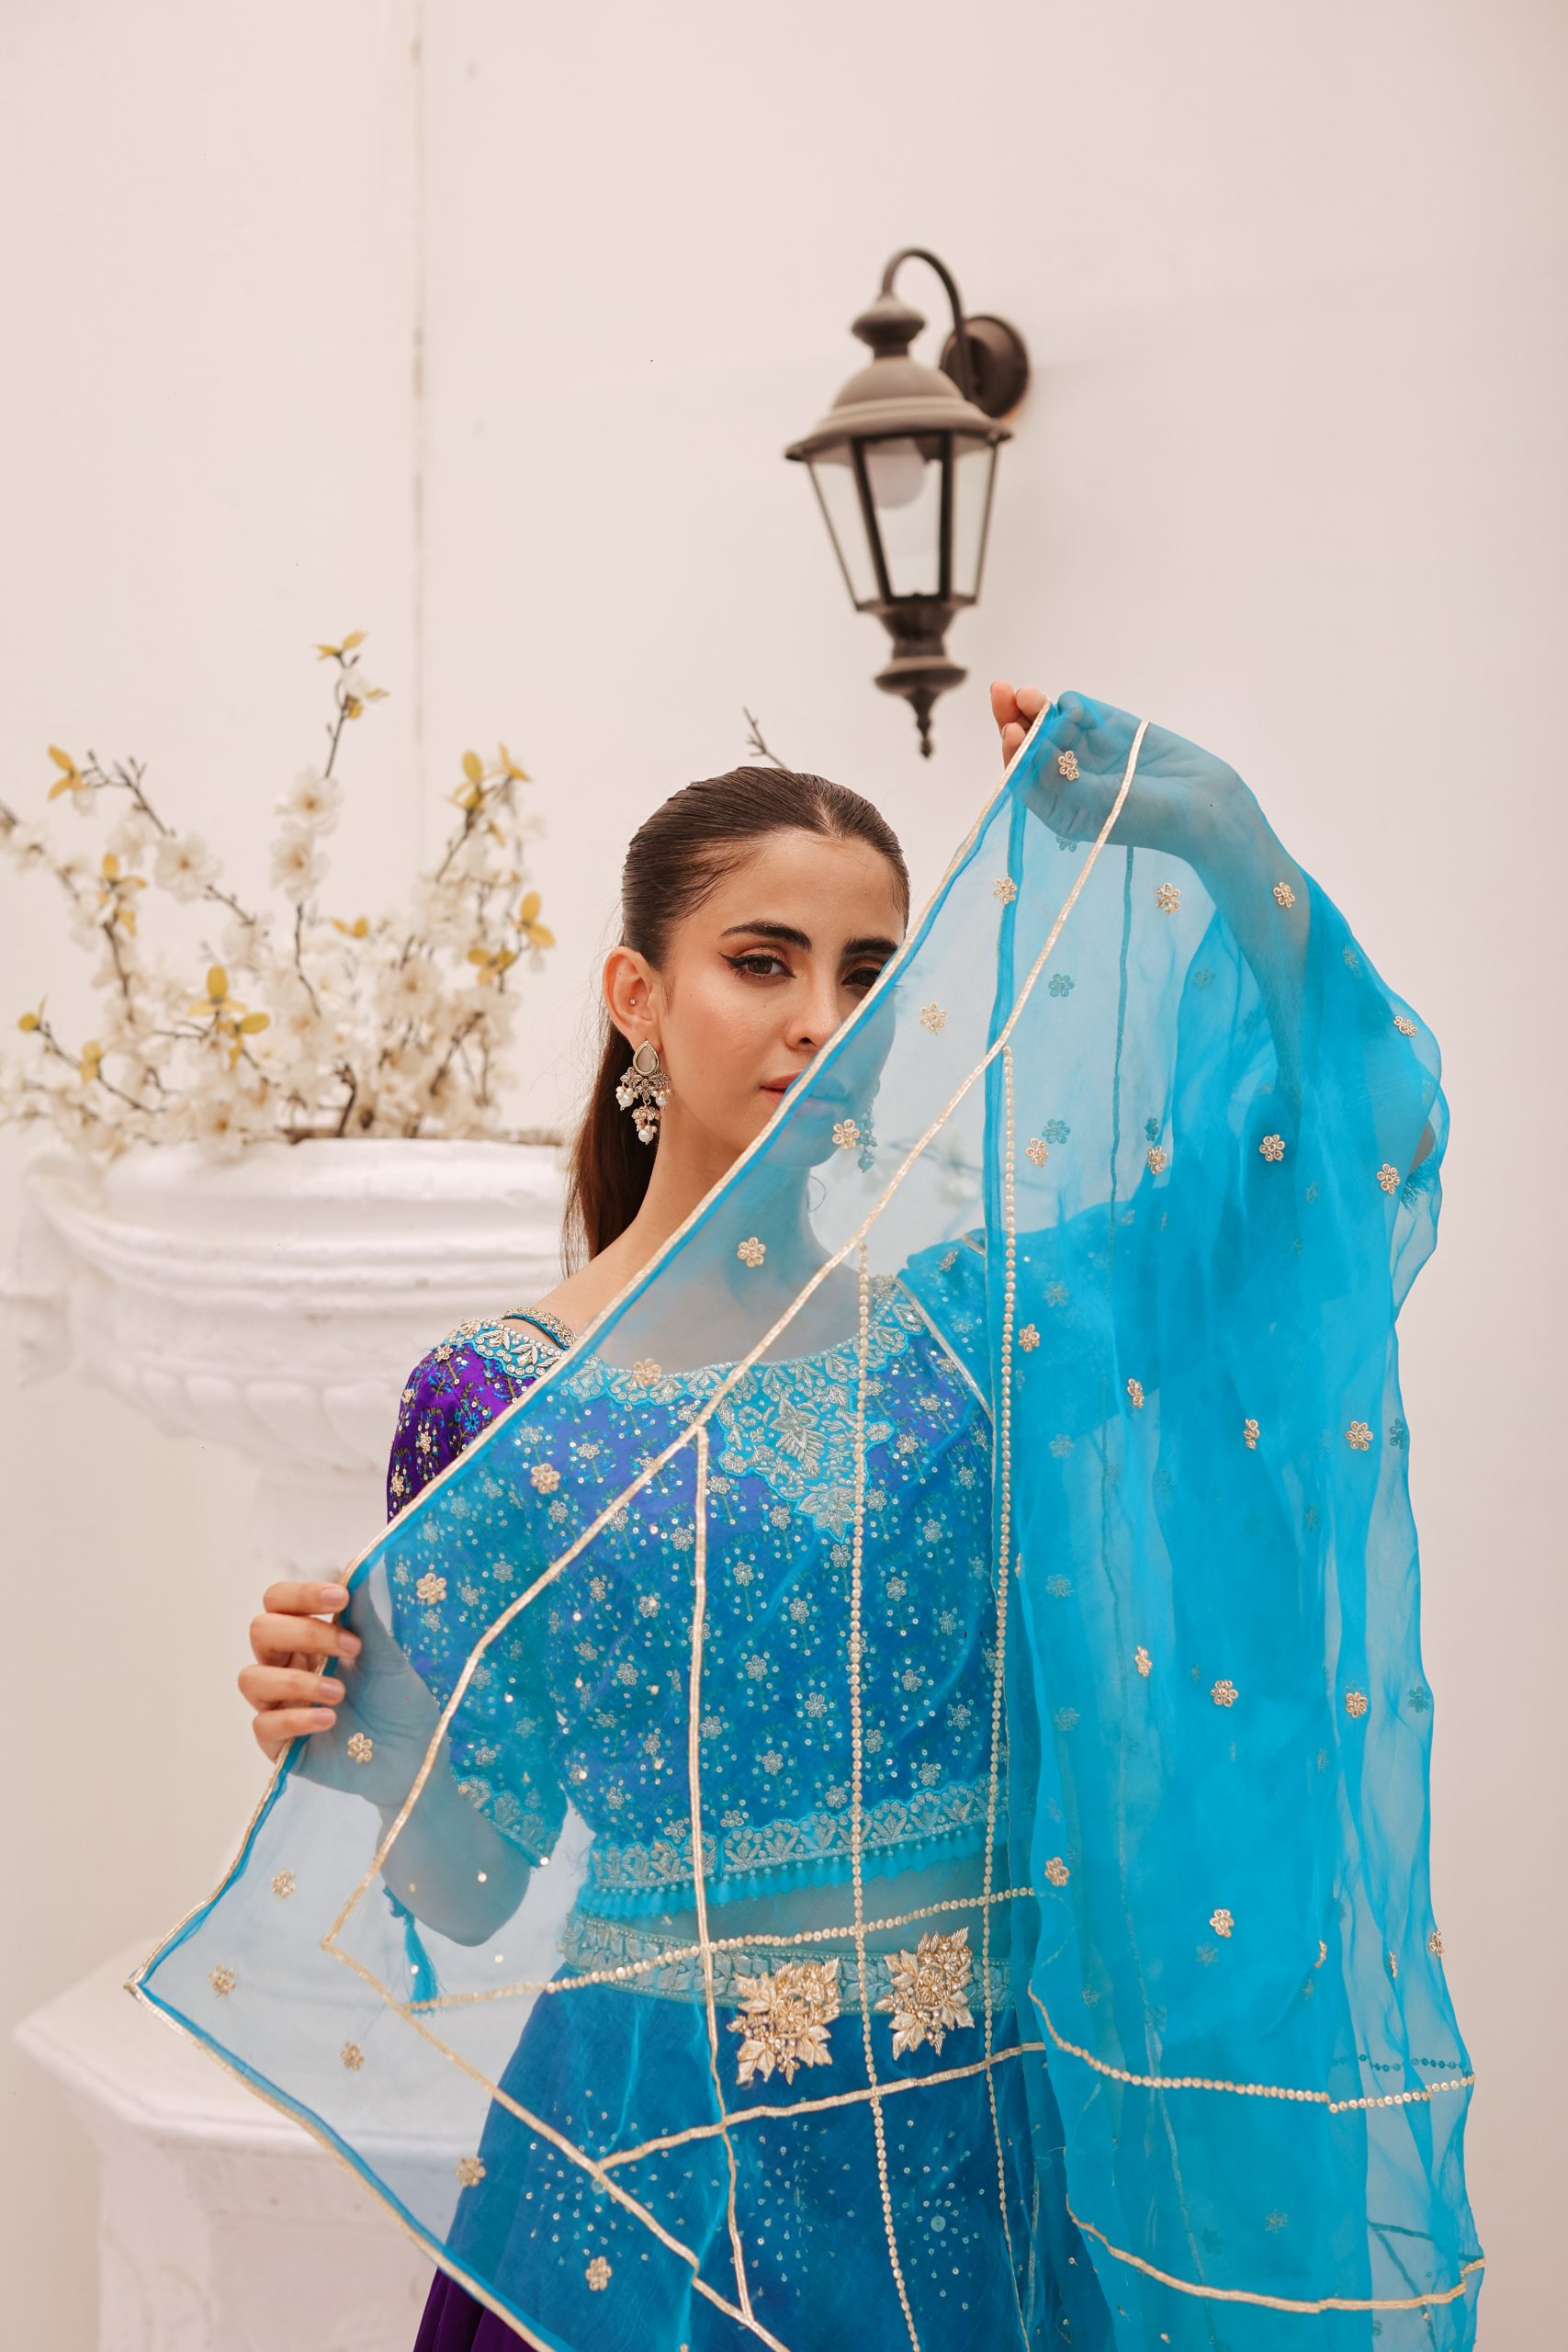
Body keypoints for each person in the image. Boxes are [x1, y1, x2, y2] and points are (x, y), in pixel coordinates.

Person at [209, 683, 1481, 2351]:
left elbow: (1346, 1159)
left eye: (873, 974)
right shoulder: (497, 1405)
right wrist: (347, 1718)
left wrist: (1226, 841)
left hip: (982, 2163)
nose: (823, 1021)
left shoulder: (982, 1341)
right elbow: (467, 1884)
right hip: (650, 2175)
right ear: (638, 998)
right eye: (763, 962)